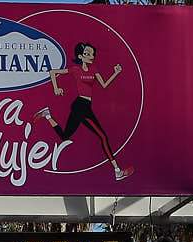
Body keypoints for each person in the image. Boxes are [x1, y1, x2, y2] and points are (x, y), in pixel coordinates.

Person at [35, 41, 131, 182]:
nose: (90, 56)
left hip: (85, 106)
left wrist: (115, 73)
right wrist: (56, 87)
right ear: (80, 56)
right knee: (103, 137)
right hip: (80, 106)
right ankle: (117, 170)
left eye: (92, 54)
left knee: (65, 136)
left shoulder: (94, 70)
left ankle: (47, 114)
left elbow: (104, 85)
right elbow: (53, 72)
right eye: (87, 53)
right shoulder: (76, 69)